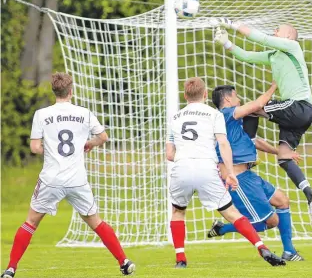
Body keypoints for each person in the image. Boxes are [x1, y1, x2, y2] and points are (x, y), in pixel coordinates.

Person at [1, 73, 135, 278]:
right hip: (76, 180)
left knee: (30, 222)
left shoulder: (41, 114)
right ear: (71, 91)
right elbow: (103, 137)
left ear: (54, 91)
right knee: (96, 222)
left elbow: (35, 147)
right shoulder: (84, 113)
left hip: (51, 179)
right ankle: (124, 262)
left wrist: (51, 150)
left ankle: (10, 269)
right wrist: (90, 143)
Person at [166, 77, 285, 268]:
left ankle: (181, 259)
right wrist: (229, 172)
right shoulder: (215, 115)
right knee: (231, 213)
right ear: (205, 94)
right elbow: (223, 143)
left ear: (185, 96)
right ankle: (262, 248)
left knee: (178, 212)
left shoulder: (175, 118)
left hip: (182, 168)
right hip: (207, 168)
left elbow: (170, 154)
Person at [212, 18, 312, 223]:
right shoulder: (274, 55)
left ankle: (249, 145)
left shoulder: (292, 47)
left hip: (298, 106)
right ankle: (310, 195)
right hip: (298, 117)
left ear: (288, 36)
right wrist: (227, 43)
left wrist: (233, 25)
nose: (274, 30)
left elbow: (261, 38)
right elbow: (246, 56)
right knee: (284, 157)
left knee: (255, 108)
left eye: (278, 29)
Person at [207, 84, 304, 261]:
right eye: (236, 96)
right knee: (270, 221)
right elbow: (258, 104)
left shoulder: (234, 123)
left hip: (249, 175)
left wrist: (281, 152)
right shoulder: (224, 115)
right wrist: (275, 85)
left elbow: (255, 141)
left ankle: (289, 251)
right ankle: (223, 229)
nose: (239, 100)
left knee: (283, 201)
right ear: (227, 99)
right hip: (239, 180)